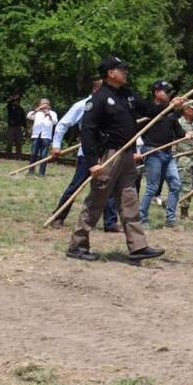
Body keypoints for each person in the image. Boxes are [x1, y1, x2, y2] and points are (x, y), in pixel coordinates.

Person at [66, 56, 166, 262]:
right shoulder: (99, 98)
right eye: (122, 69)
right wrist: (93, 162)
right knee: (97, 200)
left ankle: (138, 246)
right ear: (110, 73)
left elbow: (149, 110)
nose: (126, 72)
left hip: (128, 154)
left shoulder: (127, 95)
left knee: (129, 200)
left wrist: (170, 105)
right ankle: (78, 245)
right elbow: (87, 131)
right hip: (109, 156)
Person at [49, 77, 120, 231]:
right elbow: (62, 124)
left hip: (106, 153)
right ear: (96, 90)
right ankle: (58, 216)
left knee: (107, 187)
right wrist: (56, 145)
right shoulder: (82, 105)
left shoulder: (111, 107)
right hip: (87, 154)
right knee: (76, 186)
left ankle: (110, 222)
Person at [137, 81, 185, 227]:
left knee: (176, 184)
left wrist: (186, 134)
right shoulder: (149, 108)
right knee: (152, 187)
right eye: (166, 91)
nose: (170, 94)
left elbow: (178, 131)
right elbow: (137, 128)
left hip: (167, 153)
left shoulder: (170, 112)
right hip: (152, 151)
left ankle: (170, 219)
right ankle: (142, 218)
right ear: (157, 92)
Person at [26, 98, 58, 176]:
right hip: (36, 135)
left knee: (43, 155)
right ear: (40, 104)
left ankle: (41, 172)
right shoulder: (37, 113)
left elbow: (55, 122)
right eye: (43, 103)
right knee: (33, 154)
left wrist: (49, 115)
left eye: (46, 103)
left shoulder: (52, 113)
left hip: (46, 137)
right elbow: (28, 116)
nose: (45, 105)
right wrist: (38, 109)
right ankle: (31, 171)